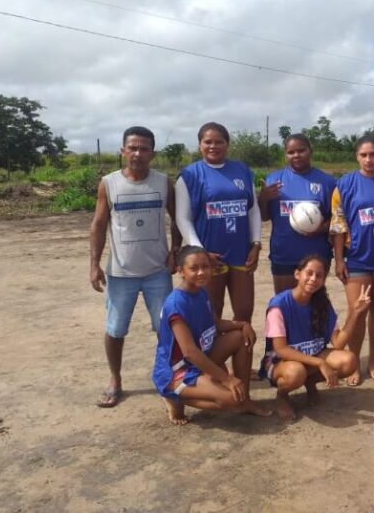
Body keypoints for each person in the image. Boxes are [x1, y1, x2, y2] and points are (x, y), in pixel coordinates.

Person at [90, 126, 180, 408]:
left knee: (166, 328)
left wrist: (175, 252)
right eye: (132, 148)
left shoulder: (164, 183)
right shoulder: (109, 183)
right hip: (121, 273)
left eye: (143, 149)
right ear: (122, 151)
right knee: (115, 329)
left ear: (152, 153)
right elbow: (99, 224)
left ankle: (169, 377)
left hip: (157, 272)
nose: (137, 153)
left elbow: (178, 219)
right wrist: (94, 264)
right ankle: (115, 379)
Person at [153, 246, 272, 425]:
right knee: (231, 400)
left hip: (200, 358)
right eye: (194, 268)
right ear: (181, 271)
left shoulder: (201, 292)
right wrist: (227, 379)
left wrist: (242, 324)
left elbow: (215, 324)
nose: (201, 272)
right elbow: (190, 352)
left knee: (241, 336)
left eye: (205, 267)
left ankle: (246, 400)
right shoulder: (176, 304)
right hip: (178, 371)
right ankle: (175, 396)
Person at [259, 255, 370, 421]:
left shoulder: (322, 303)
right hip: (280, 362)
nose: (313, 279)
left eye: (319, 275)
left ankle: (309, 382)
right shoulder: (279, 305)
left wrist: (355, 313)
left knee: (349, 361)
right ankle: (282, 396)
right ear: (297, 274)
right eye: (309, 273)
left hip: (311, 356)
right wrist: (320, 363)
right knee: (296, 372)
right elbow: (281, 350)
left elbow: (338, 343)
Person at [330, 134, 374, 385]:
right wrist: (339, 260)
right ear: (356, 156)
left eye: (373, 154)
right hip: (357, 257)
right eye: (363, 155)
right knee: (357, 311)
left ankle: (373, 360)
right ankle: (354, 362)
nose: (369, 159)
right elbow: (338, 225)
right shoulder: (344, 184)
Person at [175, 122, 262, 323]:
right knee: (212, 316)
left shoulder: (242, 170)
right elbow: (182, 217)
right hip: (209, 256)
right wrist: (200, 252)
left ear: (227, 144)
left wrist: (256, 244)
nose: (213, 146)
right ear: (199, 145)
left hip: (241, 253)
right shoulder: (189, 175)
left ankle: (241, 354)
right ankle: (211, 355)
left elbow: (252, 209)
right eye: (208, 142)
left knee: (244, 312)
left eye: (219, 142)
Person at [258, 134, 336, 294]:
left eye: (301, 150)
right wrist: (263, 198)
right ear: (285, 154)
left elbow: (337, 220)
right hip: (284, 252)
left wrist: (321, 228)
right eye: (291, 152)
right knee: (285, 304)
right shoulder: (274, 180)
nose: (296, 155)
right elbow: (264, 216)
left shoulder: (327, 182)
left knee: (314, 306)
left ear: (310, 151)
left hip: (317, 253)